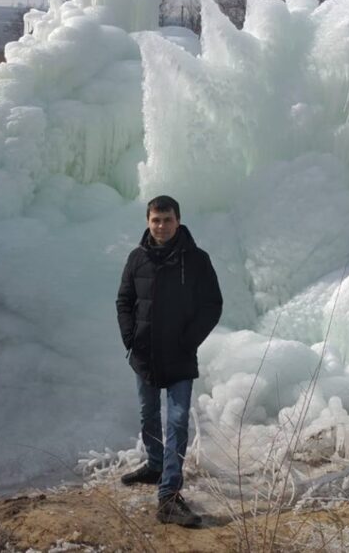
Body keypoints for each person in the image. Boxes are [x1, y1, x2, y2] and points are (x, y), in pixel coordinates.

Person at [115, 195, 223, 527]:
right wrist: (131, 339)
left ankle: (169, 496)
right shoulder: (137, 258)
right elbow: (124, 300)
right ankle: (155, 464)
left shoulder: (196, 259)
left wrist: (188, 340)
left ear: (178, 221)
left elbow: (212, 305)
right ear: (148, 222)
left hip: (179, 356)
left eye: (168, 220)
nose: (161, 226)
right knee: (149, 415)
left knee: (176, 421)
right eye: (155, 220)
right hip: (144, 355)